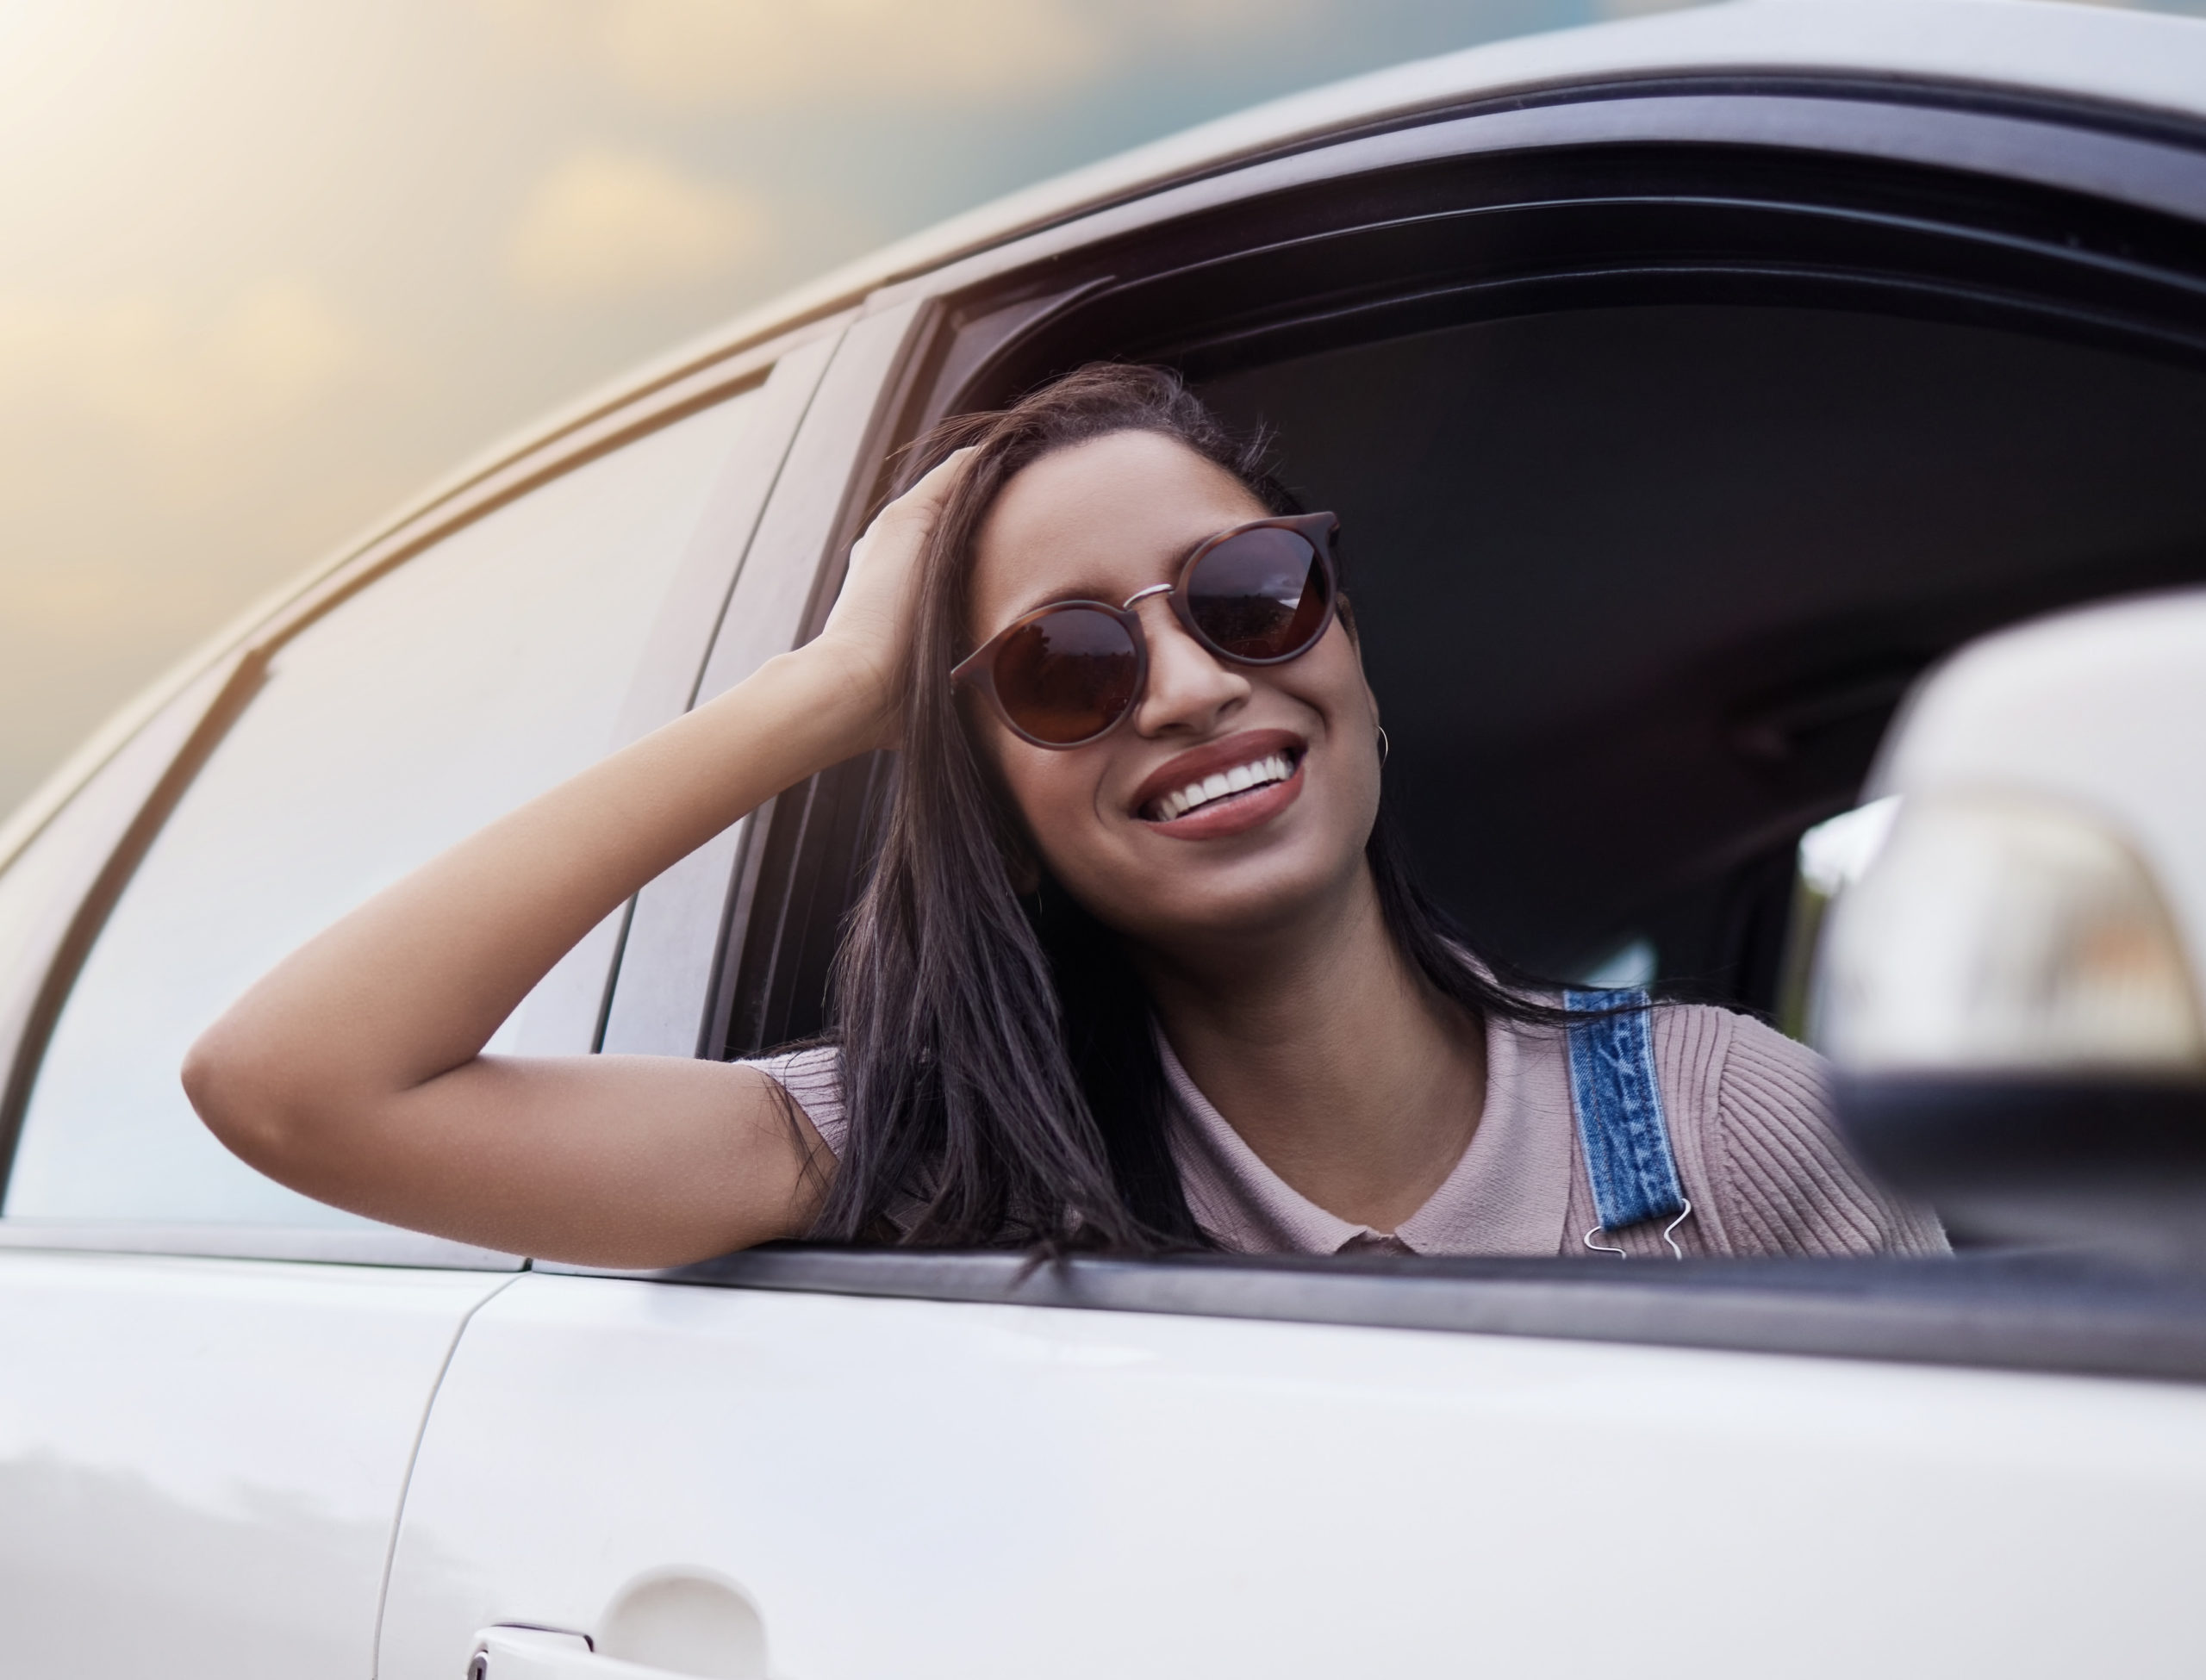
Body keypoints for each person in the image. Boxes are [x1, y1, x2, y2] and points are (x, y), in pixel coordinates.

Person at [184, 364, 1944, 1267]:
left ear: (1350, 653)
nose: (1183, 687)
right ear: (996, 809)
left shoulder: (1740, 1126)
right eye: (1064, 667)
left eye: (1250, 594)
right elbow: (294, 1086)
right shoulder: (919, 1157)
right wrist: (821, 691)